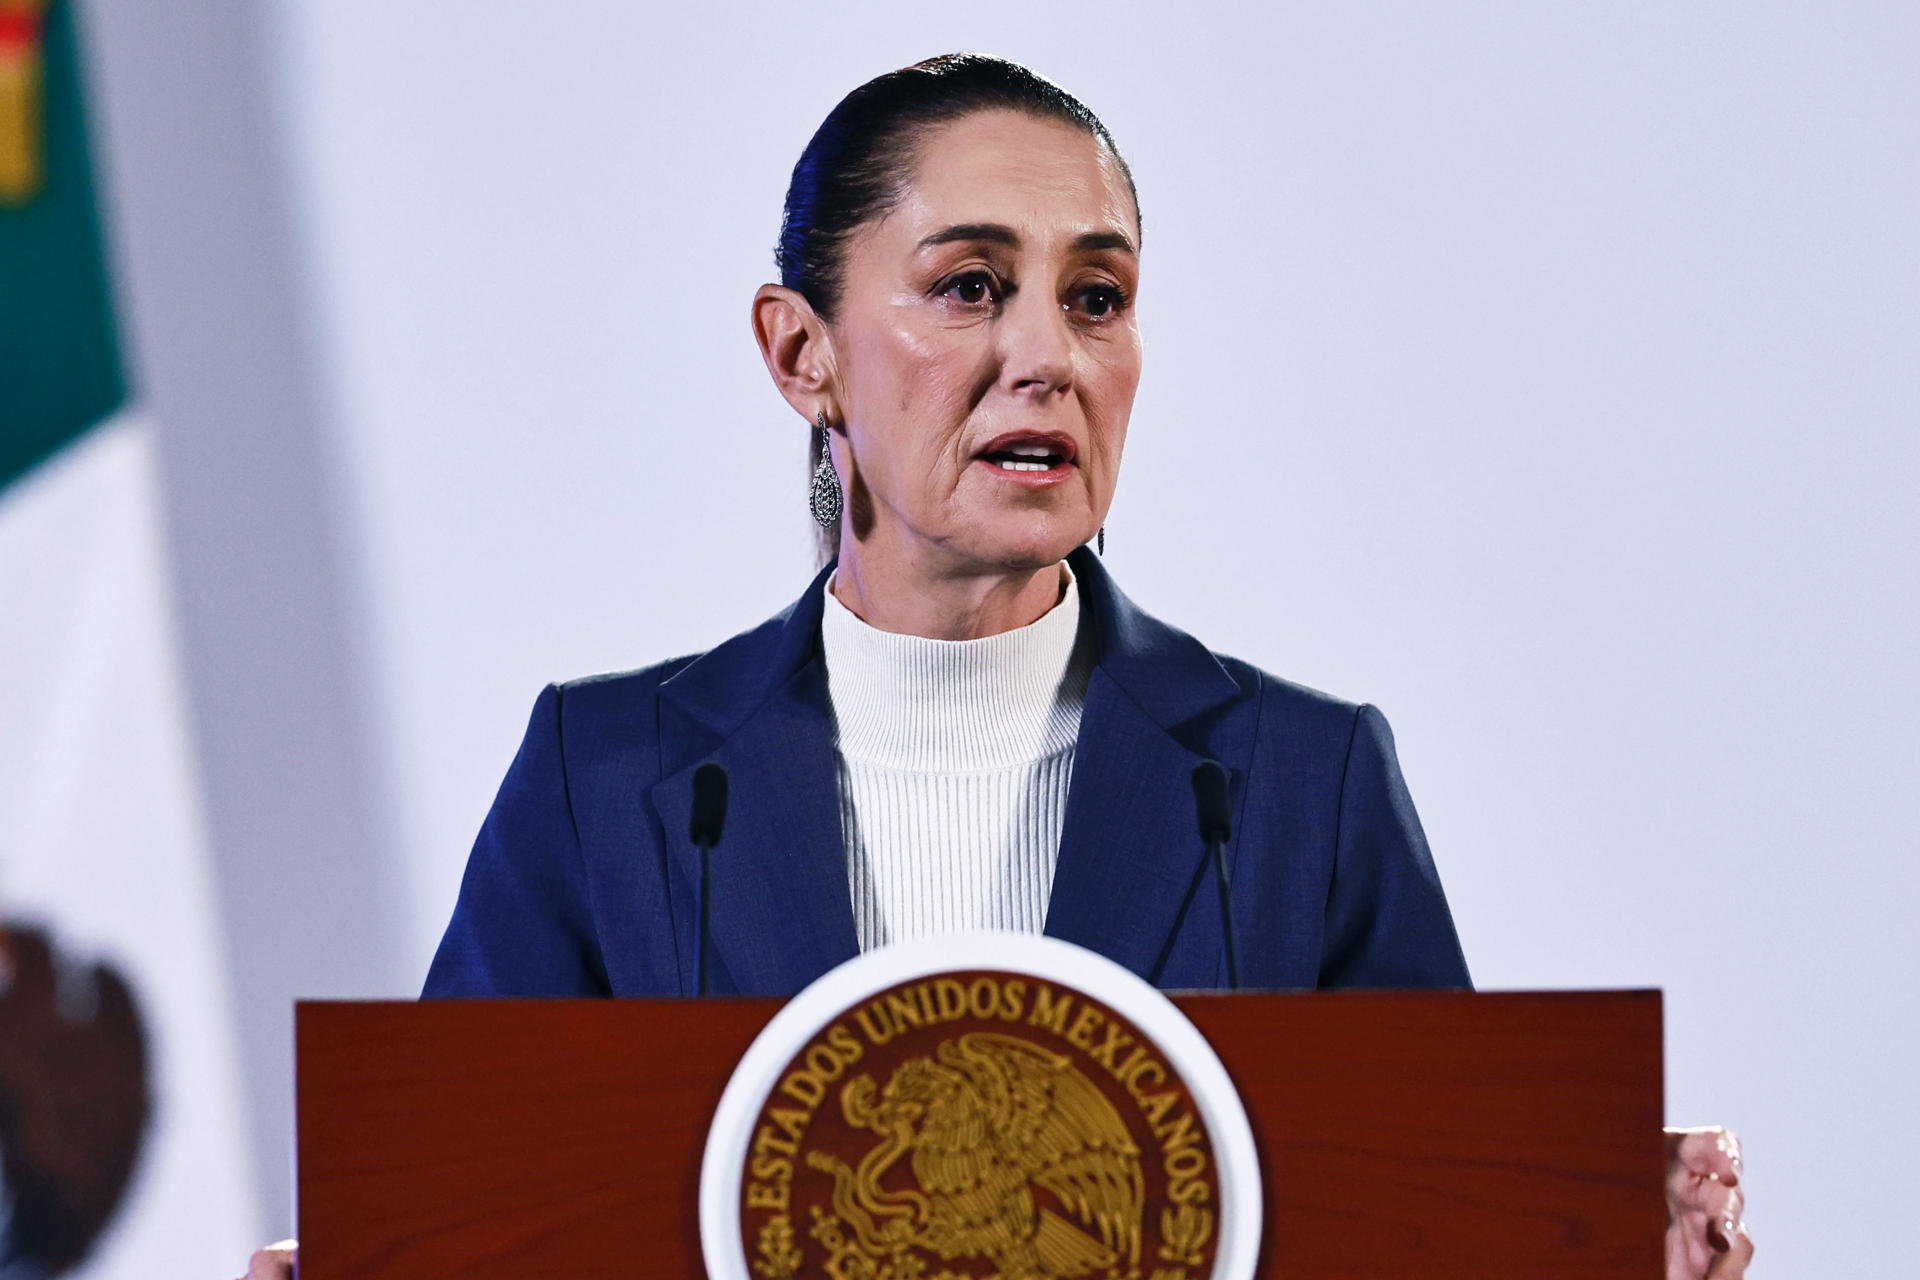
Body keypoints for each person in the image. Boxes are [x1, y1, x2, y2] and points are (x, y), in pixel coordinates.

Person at [240, 53, 1752, 1280]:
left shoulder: (1299, 784)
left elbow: (1440, 1238)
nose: (1050, 357)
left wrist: (1621, 1263)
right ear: (800, 353)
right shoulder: (611, 781)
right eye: (969, 287)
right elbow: (467, 1226)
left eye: (1097, 298)